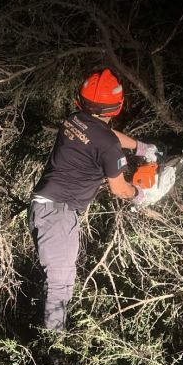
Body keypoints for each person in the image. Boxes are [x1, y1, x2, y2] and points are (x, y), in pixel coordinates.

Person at [29, 68, 157, 331]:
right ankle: (52, 345)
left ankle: (49, 333)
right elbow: (120, 189)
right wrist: (141, 194)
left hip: (44, 205)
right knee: (60, 283)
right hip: (58, 213)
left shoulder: (73, 120)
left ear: (81, 101)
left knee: (55, 279)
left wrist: (141, 147)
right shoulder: (108, 146)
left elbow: (108, 137)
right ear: (117, 107)